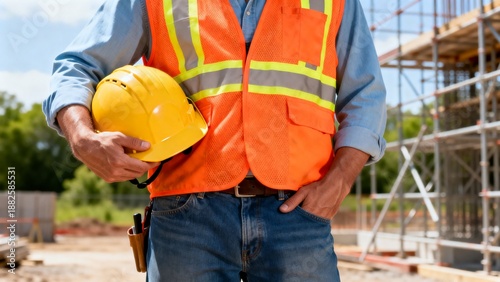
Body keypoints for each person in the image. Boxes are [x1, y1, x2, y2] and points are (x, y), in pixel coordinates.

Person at [43, 0, 387, 281]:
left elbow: (365, 93)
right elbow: (77, 65)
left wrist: (339, 181)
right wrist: (82, 137)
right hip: (186, 215)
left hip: (299, 213)